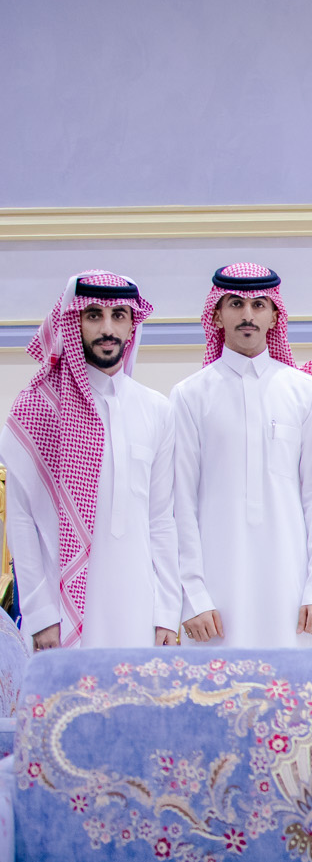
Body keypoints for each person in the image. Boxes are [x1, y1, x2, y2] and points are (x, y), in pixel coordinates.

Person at [170, 264, 312, 648]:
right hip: (215, 594)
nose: (248, 315)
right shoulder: (190, 395)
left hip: (293, 588)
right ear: (217, 315)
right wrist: (193, 596)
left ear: (274, 315)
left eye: (259, 304)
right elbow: (180, 502)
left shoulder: (306, 391)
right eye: (236, 304)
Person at [2, 273, 180, 649]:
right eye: (94, 315)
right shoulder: (39, 407)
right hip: (58, 615)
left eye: (119, 315)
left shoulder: (156, 409)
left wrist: (166, 612)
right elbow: (21, 521)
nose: (107, 328)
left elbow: (161, 519)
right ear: (75, 321)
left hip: (138, 607)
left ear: (132, 325)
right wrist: (41, 615)